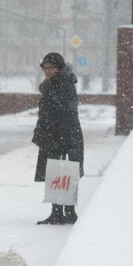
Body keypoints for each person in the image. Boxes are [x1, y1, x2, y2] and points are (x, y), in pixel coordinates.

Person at [32, 52, 84, 225]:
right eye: (45, 68)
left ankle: (69, 212)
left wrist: (59, 135)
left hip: (66, 134)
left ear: (59, 68)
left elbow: (65, 111)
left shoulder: (65, 84)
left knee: (68, 171)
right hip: (52, 134)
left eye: (51, 68)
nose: (47, 71)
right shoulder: (49, 84)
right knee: (54, 172)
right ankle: (56, 212)